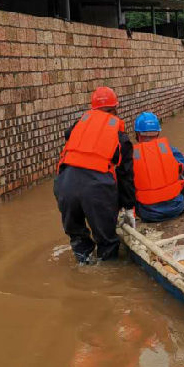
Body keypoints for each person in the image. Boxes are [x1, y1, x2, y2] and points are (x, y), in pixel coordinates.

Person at [55, 86, 135, 264]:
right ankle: (106, 277)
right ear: (115, 109)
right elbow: (125, 175)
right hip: (96, 190)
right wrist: (128, 206)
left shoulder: (78, 126)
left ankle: (83, 263)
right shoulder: (120, 137)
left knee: (77, 237)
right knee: (107, 242)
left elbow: (68, 136)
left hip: (64, 186)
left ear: (93, 109)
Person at [131, 111, 184, 223]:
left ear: (137, 134)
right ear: (158, 133)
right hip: (176, 209)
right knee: (179, 172)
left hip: (149, 214)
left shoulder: (131, 156)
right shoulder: (170, 150)